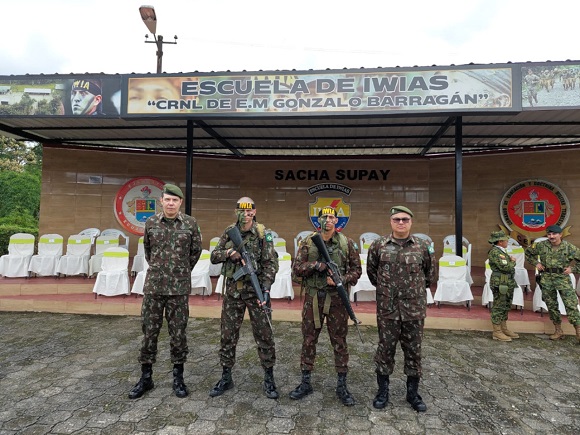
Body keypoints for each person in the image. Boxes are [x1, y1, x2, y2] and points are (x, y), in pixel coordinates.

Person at [128, 183, 202, 399]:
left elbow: (195, 252)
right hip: (154, 287)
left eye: (175, 200)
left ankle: (178, 378)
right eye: (167, 199)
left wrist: (180, 270)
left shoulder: (190, 223)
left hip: (178, 289)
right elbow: (148, 251)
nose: (171, 203)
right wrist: (162, 269)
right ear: (161, 201)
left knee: (178, 334)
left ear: (180, 202)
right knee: (149, 332)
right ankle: (146, 378)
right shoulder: (151, 222)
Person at [290, 206, 362, 406]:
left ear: (336, 221)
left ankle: (342, 385)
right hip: (313, 299)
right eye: (324, 217)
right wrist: (316, 266)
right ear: (318, 221)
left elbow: (357, 271)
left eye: (331, 217)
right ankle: (305, 382)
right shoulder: (307, 243)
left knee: (339, 341)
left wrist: (341, 278)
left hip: (337, 301)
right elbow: (295, 271)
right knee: (308, 340)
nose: (328, 220)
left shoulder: (347, 243)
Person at [366, 205, 436, 412]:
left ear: (411, 222)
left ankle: (413, 394)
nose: (401, 223)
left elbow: (429, 275)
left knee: (414, 351)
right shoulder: (379, 245)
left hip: (413, 310)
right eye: (397, 219)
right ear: (390, 221)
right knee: (385, 350)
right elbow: (372, 274)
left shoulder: (423, 246)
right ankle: (382, 392)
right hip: (388, 310)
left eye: (405, 219)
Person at [209, 197, 279, 399]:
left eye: (249, 211)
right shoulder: (229, 231)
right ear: (236, 212)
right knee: (228, 335)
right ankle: (226, 377)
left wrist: (265, 289)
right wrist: (230, 252)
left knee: (265, 334)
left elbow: (270, 264)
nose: (246, 215)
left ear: (254, 212)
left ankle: (269, 378)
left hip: (257, 292)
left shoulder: (263, 234)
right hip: (233, 292)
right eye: (242, 211)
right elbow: (214, 255)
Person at [525, 225, 580, 343]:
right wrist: (536, 263)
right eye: (549, 234)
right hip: (547, 278)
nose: (551, 236)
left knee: (571, 305)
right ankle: (558, 330)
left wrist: (573, 269)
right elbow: (528, 253)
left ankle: (578, 331)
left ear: (560, 235)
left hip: (562, 278)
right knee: (552, 305)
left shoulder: (569, 247)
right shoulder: (541, 245)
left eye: (554, 234)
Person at [487, 231, 519, 342]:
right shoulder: (495, 252)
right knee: (499, 306)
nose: (507, 242)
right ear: (500, 242)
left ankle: (503, 328)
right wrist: (513, 261)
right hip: (500, 282)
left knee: (506, 305)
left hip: (507, 281)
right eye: (506, 240)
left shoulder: (501, 251)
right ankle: (497, 331)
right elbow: (506, 268)